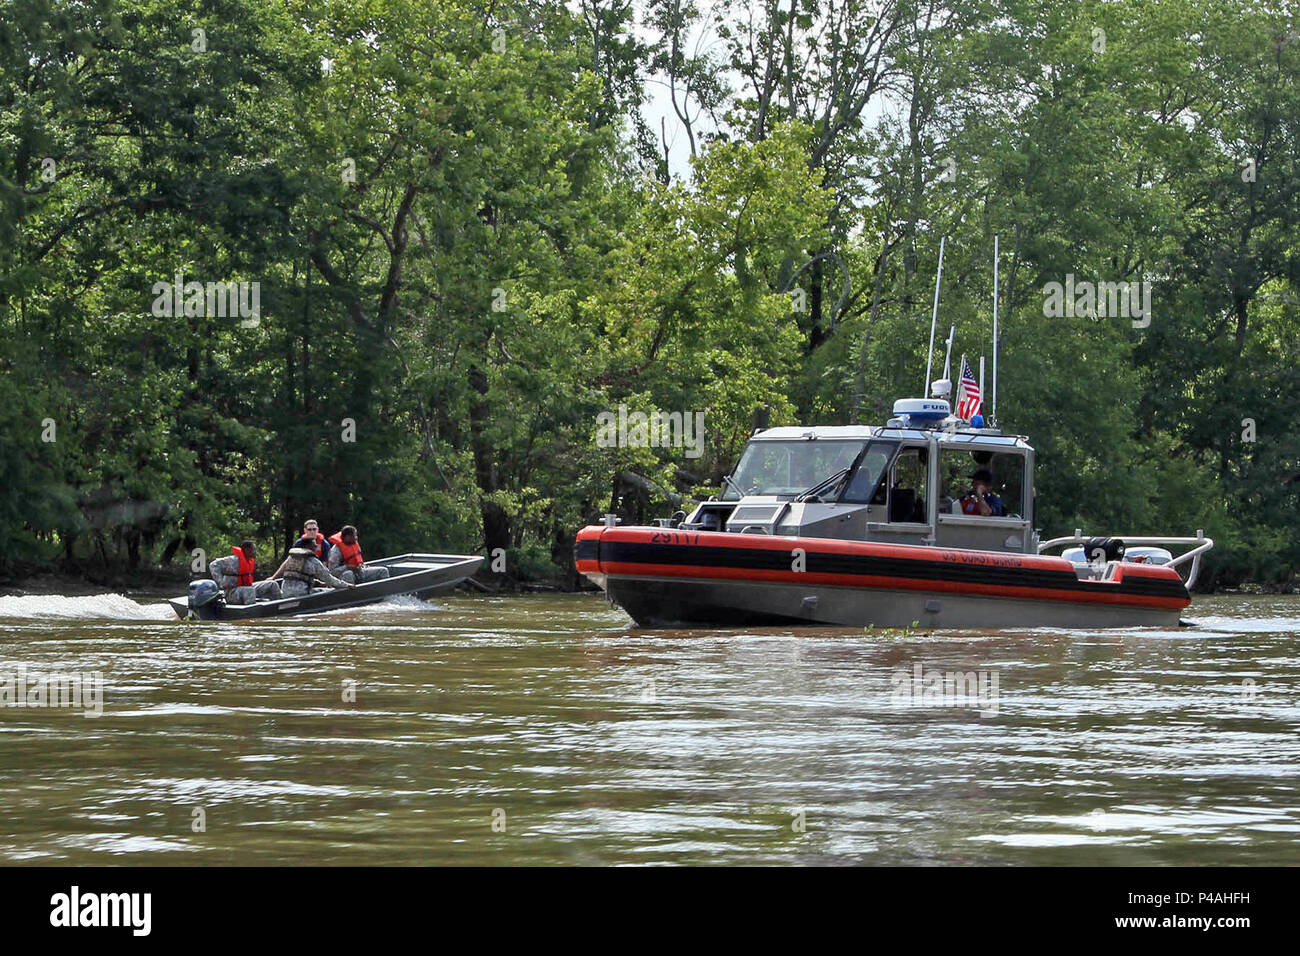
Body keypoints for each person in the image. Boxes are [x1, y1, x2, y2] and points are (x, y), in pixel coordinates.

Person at [270, 537, 354, 597]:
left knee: (318, 588)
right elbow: (329, 579)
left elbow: (300, 577)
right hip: (301, 593)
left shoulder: (291, 558)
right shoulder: (313, 561)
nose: (316, 547)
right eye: (314, 545)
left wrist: (319, 583)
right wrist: (346, 585)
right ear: (307, 547)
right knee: (327, 591)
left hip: (285, 592)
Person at [209, 540, 282, 605]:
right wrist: (220, 582)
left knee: (272, 584)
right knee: (249, 590)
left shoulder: (249, 561)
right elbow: (213, 565)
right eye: (254, 550)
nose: (255, 552)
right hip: (232, 593)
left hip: (247, 589)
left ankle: (278, 608)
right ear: (247, 550)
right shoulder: (233, 560)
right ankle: (251, 614)